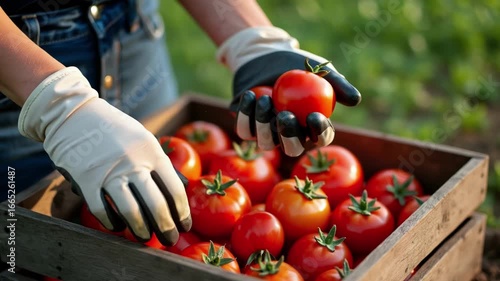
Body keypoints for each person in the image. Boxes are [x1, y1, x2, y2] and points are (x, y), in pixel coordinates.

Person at [0, 0, 361, 246]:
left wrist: (250, 37)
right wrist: (56, 105)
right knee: (20, 246)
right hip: (13, 75)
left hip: (133, 30)